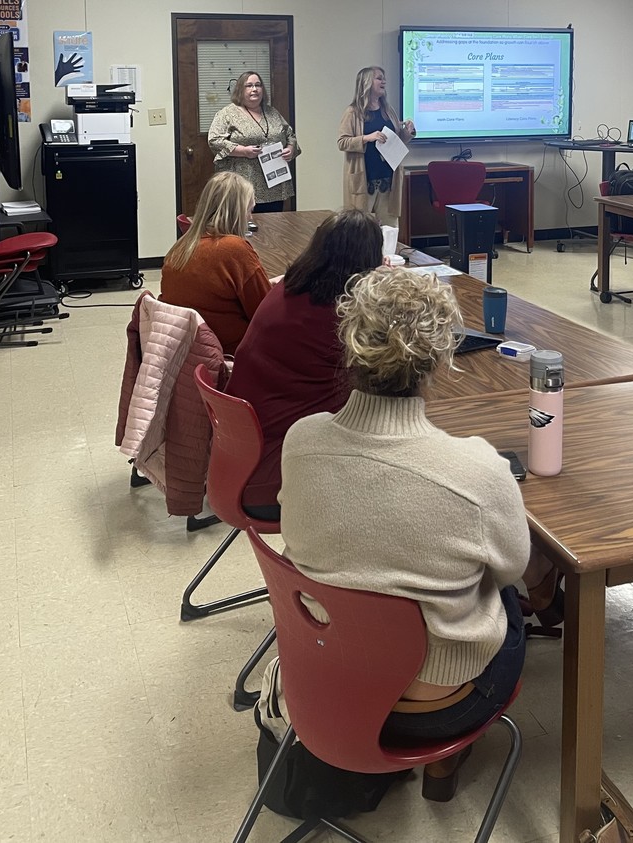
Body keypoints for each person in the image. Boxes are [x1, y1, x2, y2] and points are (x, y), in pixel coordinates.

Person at [278, 266, 556, 801]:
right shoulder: (477, 470)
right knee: (508, 598)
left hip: (326, 683)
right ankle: (443, 767)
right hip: (440, 706)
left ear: (350, 347)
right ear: (441, 359)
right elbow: (512, 570)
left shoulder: (300, 442)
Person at [224, 209, 384, 521]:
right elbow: (381, 371)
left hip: (242, 455)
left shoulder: (287, 288)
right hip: (278, 473)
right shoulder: (338, 317)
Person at [160, 171, 270, 354]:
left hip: (187, 350)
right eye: (249, 211)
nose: (250, 218)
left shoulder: (180, 247)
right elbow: (265, 314)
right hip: (231, 353)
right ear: (236, 211)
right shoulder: (235, 250)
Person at [208, 71, 300, 213]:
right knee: (245, 228)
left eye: (258, 85)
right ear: (240, 89)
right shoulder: (227, 114)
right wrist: (243, 151)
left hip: (274, 184)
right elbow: (214, 140)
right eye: (249, 86)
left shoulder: (272, 113)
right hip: (242, 184)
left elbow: (290, 135)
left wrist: (290, 148)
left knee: (273, 228)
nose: (254, 89)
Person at [338, 66, 416, 228]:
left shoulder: (388, 111)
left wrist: (407, 133)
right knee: (360, 229)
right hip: (365, 180)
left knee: (390, 228)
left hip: (388, 179)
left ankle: (388, 254)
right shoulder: (353, 113)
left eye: (384, 78)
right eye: (379, 78)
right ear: (366, 83)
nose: (384, 81)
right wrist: (367, 138)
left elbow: (396, 141)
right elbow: (342, 142)